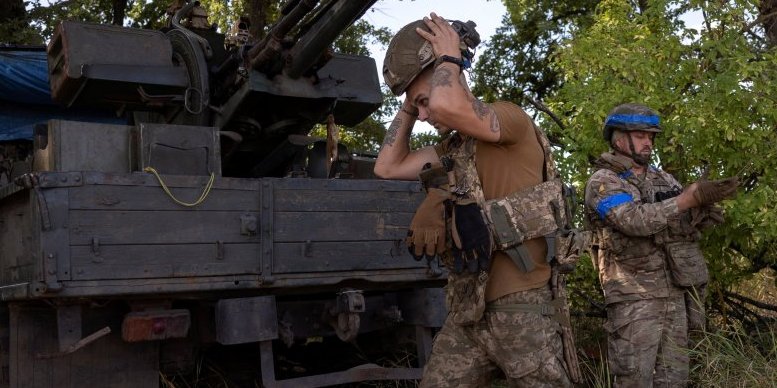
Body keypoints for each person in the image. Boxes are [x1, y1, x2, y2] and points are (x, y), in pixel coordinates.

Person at [375, 13, 574, 387]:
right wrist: (407, 104)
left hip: (523, 307)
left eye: (424, 101)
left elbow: (451, 107)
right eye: (416, 107)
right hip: (469, 311)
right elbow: (388, 166)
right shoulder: (453, 148)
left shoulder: (507, 119)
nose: (424, 114)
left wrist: (448, 57)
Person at [583, 103, 738, 387]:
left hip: (675, 294)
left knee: (675, 378)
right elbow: (633, 220)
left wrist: (702, 210)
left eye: (651, 137)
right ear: (619, 139)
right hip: (634, 298)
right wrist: (686, 201)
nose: (648, 142)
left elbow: (680, 223)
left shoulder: (663, 179)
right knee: (634, 379)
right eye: (641, 136)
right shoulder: (603, 182)